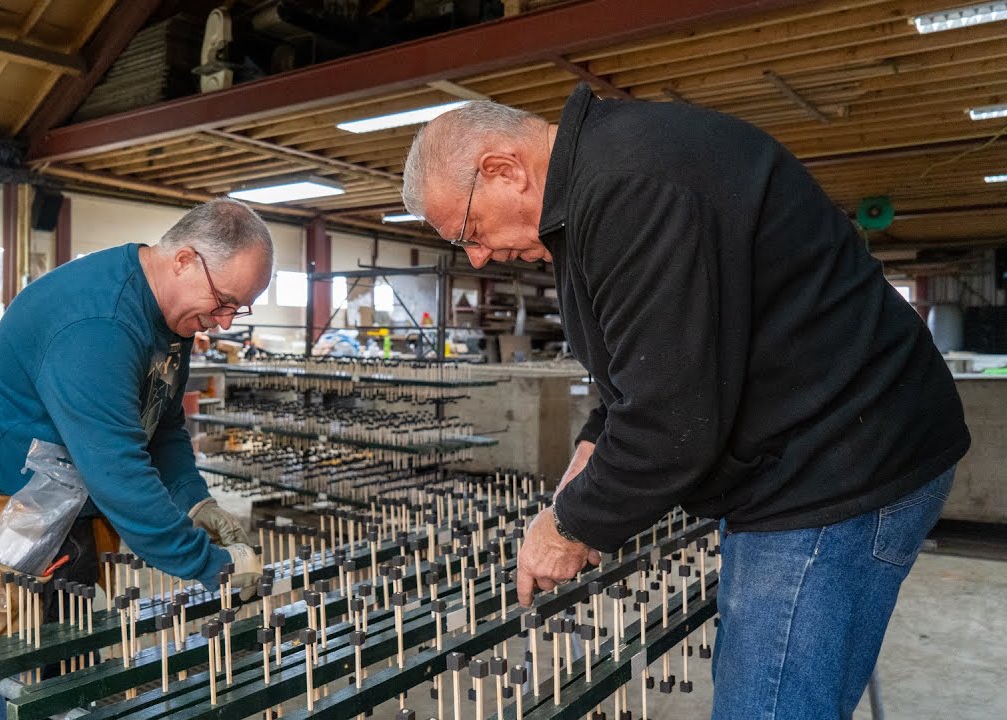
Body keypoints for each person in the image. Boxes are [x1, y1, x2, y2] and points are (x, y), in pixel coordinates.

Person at [401, 87, 969, 719]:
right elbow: (652, 359)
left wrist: (568, 527)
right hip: (806, 454)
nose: (479, 256)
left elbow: (673, 423)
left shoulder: (633, 187)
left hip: (838, 466)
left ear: (503, 170)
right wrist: (593, 444)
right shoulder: (600, 183)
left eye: (470, 231)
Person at [0, 198, 271, 719]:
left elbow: (161, 424)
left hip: (57, 504)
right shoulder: (98, 324)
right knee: (9, 674)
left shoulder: (173, 317)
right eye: (224, 301)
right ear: (185, 260)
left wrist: (195, 502)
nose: (226, 322)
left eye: (240, 308)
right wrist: (208, 565)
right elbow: (118, 473)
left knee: (65, 663)